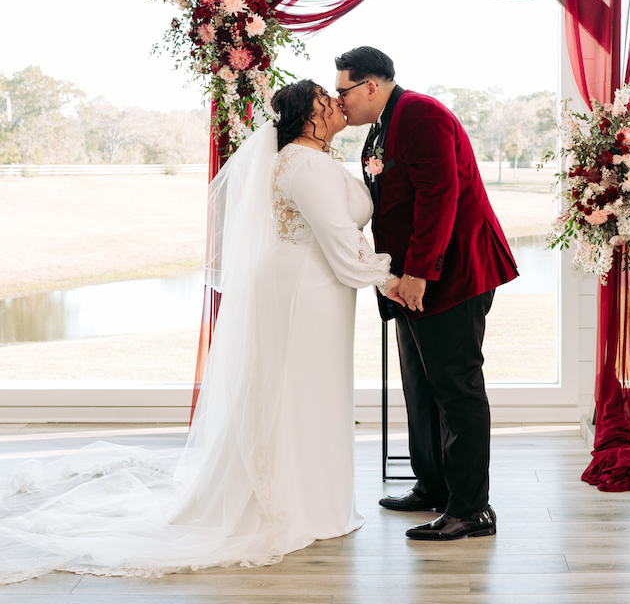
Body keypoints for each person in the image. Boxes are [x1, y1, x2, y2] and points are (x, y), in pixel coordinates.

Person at [0, 79, 403, 584]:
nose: (337, 104)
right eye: (327, 100)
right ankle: (292, 506)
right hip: (305, 291)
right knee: (294, 393)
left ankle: (313, 499)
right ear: (309, 118)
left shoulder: (312, 161)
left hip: (314, 288)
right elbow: (342, 243)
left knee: (306, 392)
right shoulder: (303, 164)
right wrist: (389, 279)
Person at [335, 46, 519, 541]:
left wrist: (418, 272)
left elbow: (441, 194)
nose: (339, 100)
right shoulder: (380, 126)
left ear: (370, 85)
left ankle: (471, 508)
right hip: (408, 281)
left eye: (343, 90)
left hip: (450, 275)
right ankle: (433, 486)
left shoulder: (421, 114)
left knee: (457, 389)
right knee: (420, 386)